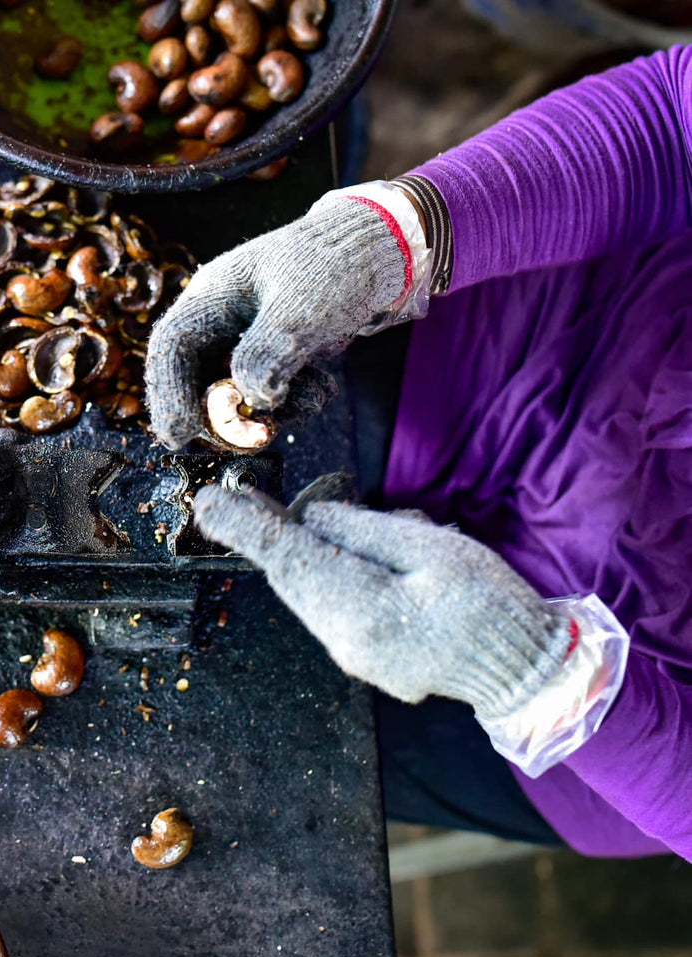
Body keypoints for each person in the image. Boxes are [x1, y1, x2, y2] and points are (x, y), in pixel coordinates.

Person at [144, 46, 692, 861]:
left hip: (634, 705)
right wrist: (396, 236)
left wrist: (540, 675)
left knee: (242, 731)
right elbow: (669, 125)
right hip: (554, 346)